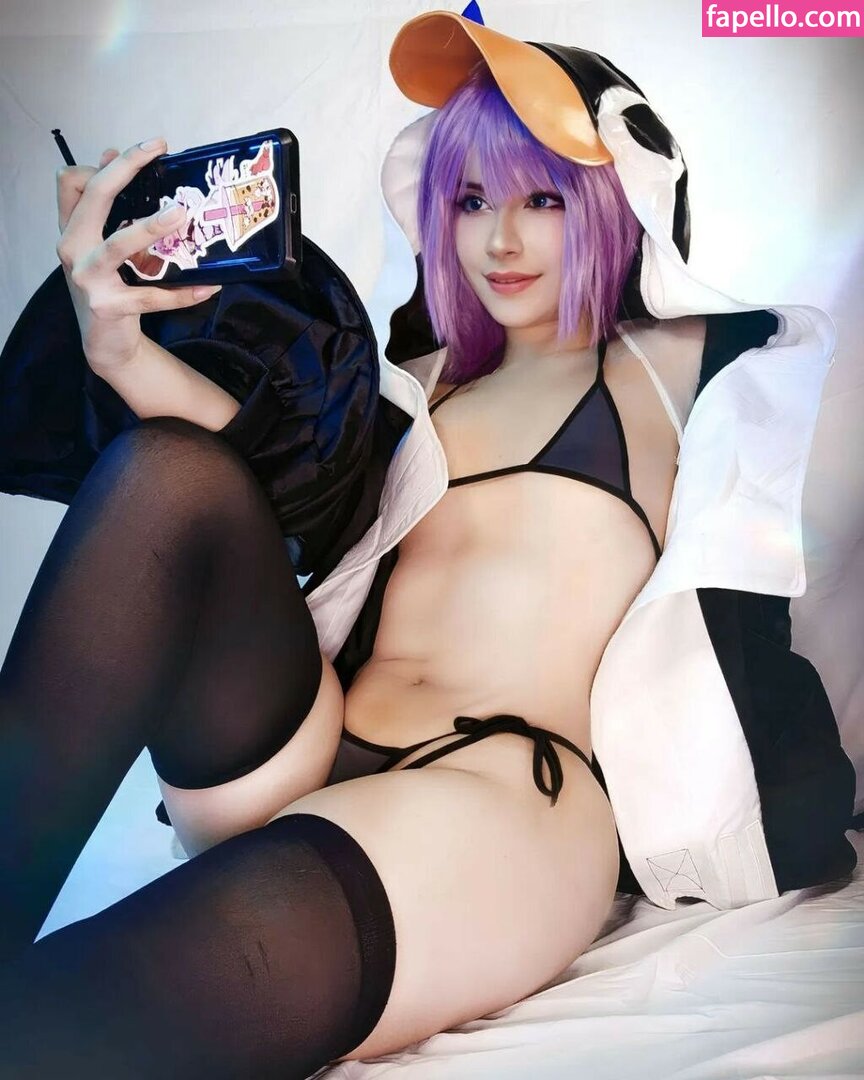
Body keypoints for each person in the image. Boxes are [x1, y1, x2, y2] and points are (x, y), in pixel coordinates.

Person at [0, 9, 855, 1079]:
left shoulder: (693, 362)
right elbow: (257, 499)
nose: (501, 239)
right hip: (303, 749)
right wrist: (118, 348)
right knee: (167, 470)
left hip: (496, 794)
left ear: (615, 197)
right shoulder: (417, 378)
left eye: (545, 198)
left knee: (78, 1010)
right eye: (472, 200)